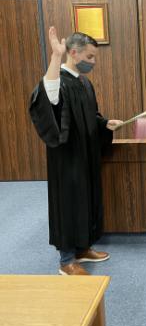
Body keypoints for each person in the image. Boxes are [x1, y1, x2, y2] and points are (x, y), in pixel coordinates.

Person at [30, 27, 123, 275]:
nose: (93, 62)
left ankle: (83, 248)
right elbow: (47, 100)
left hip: (85, 156)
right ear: (73, 52)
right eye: (90, 57)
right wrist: (55, 57)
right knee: (69, 203)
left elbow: (90, 116)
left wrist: (105, 124)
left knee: (87, 199)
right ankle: (66, 259)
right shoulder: (59, 81)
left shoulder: (83, 82)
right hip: (67, 159)